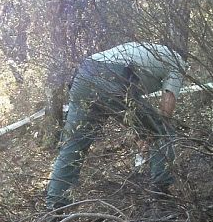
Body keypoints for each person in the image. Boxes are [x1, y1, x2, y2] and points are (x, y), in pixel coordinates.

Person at [45, 42, 187, 212]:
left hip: (84, 74)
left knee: (73, 146)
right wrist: (154, 131)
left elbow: (130, 108)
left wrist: (141, 132)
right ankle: (162, 196)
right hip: (113, 77)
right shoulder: (178, 62)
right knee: (162, 132)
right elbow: (166, 108)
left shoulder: (150, 51)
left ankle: (55, 208)